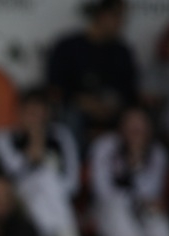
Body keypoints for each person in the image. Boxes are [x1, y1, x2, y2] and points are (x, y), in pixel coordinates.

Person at [0, 88, 83, 236]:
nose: (35, 119)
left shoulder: (61, 136)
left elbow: (72, 182)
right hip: (18, 195)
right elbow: (10, 171)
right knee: (43, 180)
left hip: (56, 196)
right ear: (19, 112)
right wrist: (33, 147)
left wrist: (52, 186)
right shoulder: (4, 135)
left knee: (47, 180)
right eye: (30, 113)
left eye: (39, 114)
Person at [88, 106, 169, 236]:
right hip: (107, 208)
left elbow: (151, 194)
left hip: (142, 210)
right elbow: (101, 190)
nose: (136, 130)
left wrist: (137, 162)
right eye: (131, 124)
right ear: (121, 126)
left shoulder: (157, 153)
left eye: (140, 125)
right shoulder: (105, 145)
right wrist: (129, 166)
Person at [46, 0, 138, 146]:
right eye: (116, 16)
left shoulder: (122, 51)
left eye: (122, 18)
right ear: (101, 15)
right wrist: (83, 102)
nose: (121, 23)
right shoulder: (68, 46)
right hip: (75, 110)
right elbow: (55, 87)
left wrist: (110, 105)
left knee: (135, 118)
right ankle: (75, 159)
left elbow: (130, 91)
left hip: (112, 111)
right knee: (70, 116)